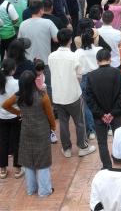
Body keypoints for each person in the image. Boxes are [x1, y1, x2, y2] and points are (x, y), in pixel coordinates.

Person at [2, 71, 57, 197]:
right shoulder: (43, 96)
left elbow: (5, 105)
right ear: (33, 82)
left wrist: (18, 113)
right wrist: (53, 127)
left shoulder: (18, 96)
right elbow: (50, 115)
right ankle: (44, 191)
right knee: (43, 161)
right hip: (42, 132)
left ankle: (31, 189)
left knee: (28, 161)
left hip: (26, 132)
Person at [47, 28, 95, 158]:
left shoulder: (51, 56)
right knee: (79, 122)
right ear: (70, 40)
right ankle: (83, 147)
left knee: (63, 123)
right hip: (73, 94)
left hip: (58, 95)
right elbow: (80, 75)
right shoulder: (74, 56)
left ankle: (66, 149)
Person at [84, 47, 121, 169]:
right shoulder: (118, 73)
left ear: (97, 61)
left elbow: (89, 98)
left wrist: (101, 114)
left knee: (102, 142)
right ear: (110, 59)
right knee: (118, 139)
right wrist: (113, 113)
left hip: (99, 116)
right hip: (116, 114)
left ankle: (107, 166)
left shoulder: (91, 76)